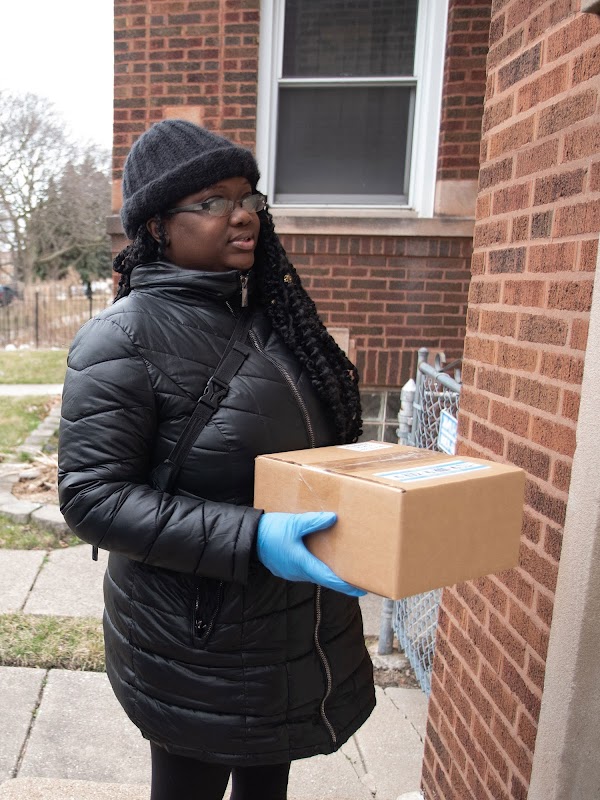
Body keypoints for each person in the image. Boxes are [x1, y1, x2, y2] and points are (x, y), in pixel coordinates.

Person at [58, 120, 375, 800]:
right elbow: (93, 497)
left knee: (268, 786)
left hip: (290, 624)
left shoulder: (277, 323)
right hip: (193, 639)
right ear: (157, 228)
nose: (243, 215)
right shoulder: (122, 339)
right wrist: (254, 535)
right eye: (213, 201)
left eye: (249, 197)